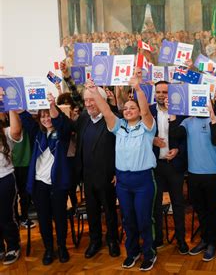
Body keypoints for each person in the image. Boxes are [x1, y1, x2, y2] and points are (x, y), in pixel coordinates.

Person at [85, 74, 158, 271]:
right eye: (125, 108)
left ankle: (149, 253)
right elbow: (106, 110)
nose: (128, 110)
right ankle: (132, 252)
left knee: (143, 219)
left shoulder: (147, 127)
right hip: (123, 181)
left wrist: (139, 89)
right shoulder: (118, 127)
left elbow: (145, 111)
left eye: (131, 108)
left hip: (143, 180)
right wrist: (93, 92)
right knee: (127, 219)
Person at [18, 93, 73, 265]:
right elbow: (25, 117)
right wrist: (10, 97)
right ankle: (49, 249)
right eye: (42, 116)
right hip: (39, 183)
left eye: (48, 115)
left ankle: (62, 247)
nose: (46, 119)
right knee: (43, 218)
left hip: (58, 184)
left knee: (60, 216)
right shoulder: (37, 133)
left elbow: (59, 122)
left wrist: (51, 105)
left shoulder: (63, 133)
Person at [168, 102, 216, 262]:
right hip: (193, 173)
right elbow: (175, 134)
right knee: (199, 210)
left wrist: (212, 118)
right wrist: (173, 113)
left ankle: (212, 243)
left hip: (212, 173)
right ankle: (205, 239)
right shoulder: (188, 121)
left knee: (211, 210)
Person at [71, 82, 120, 259]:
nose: (89, 104)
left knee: (109, 211)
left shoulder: (112, 119)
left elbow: (121, 148)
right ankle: (95, 241)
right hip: (87, 176)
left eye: (92, 99)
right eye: (86, 100)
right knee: (92, 211)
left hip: (108, 176)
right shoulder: (84, 118)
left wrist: (117, 171)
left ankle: (113, 240)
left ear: (101, 100)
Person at [150, 80, 189, 254]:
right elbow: (141, 133)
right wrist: (151, 140)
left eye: (165, 92)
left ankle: (181, 240)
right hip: (155, 165)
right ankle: (158, 238)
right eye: (158, 91)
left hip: (175, 165)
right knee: (155, 204)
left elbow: (187, 138)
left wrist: (178, 150)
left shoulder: (181, 112)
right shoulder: (148, 111)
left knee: (178, 204)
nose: (161, 94)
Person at [0, 108, 23, 265]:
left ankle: (13, 246)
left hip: (5, 178)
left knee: (5, 216)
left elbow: (16, 130)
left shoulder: (5, 132)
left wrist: (11, 106)